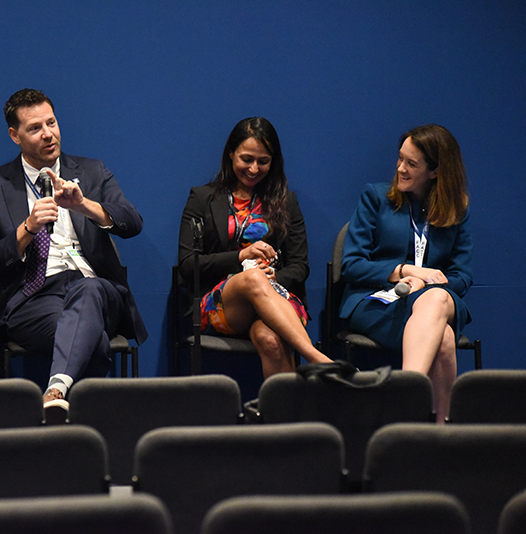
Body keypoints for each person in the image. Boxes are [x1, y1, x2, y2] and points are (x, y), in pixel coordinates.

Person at [0, 88, 147, 418]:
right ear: (15, 135)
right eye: (35, 128)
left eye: (51, 123)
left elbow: (133, 222)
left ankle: (54, 393)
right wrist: (27, 228)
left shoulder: (92, 171)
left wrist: (84, 205)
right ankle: (89, 428)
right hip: (33, 298)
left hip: (97, 290)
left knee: (90, 290)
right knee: (86, 335)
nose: (48, 134)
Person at [178, 117, 332, 377]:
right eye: (246, 159)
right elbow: (187, 264)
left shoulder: (287, 201)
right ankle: (315, 357)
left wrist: (275, 277)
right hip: (221, 304)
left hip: (275, 296)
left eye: (263, 161)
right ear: (231, 155)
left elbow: (299, 266)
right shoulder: (202, 198)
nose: (253, 168)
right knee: (252, 278)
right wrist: (240, 256)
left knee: (271, 341)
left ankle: (284, 417)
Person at [340, 124, 472, 423]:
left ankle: (404, 395)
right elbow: (352, 265)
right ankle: (442, 432)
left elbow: (462, 277)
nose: (400, 168)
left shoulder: (457, 210)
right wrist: (402, 271)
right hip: (378, 301)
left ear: (435, 171)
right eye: (400, 159)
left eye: (411, 164)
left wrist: (426, 282)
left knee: (436, 299)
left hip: (435, 300)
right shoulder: (375, 198)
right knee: (445, 340)